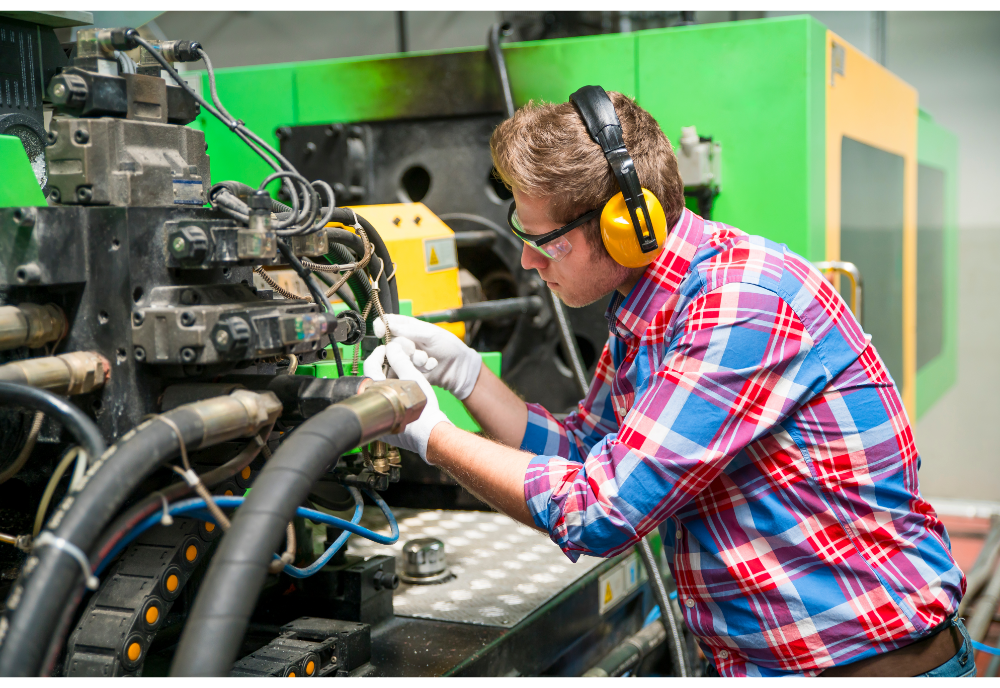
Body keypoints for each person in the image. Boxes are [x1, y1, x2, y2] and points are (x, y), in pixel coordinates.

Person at [363, 87, 970, 677]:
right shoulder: (648, 308)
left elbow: (596, 510)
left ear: (626, 225)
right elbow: (584, 452)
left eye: (545, 241)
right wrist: (467, 376)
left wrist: (425, 431)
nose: (527, 262)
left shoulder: (740, 306)